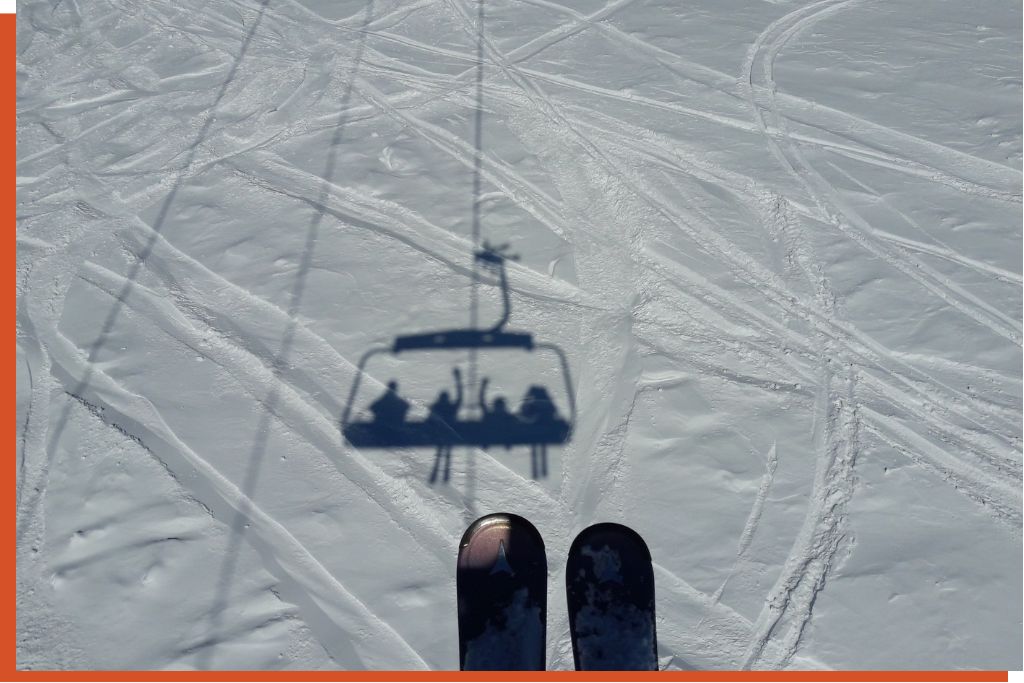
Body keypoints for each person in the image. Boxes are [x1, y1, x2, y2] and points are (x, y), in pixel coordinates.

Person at [428, 368, 463, 483]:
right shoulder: (443, 407)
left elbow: (459, 398)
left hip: (443, 433)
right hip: (443, 433)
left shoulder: (440, 407)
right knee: (444, 453)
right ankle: (443, 476)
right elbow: (459, 398)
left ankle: (441, 475)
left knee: (443, 453)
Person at [519, 386, 558, 479]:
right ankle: (541, 470)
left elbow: (524, 414)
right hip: (541, 428)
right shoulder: (545, 403)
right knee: (540, 447)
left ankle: (538, 471)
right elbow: (553, 412)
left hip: (535, 428)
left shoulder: (532, 404)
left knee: (536, 448)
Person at [478, 378, 519, 449]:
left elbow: (481, 402)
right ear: (503, 406)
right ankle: (506, 442)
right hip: (502, 437)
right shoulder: (507, 416)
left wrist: (483, 386)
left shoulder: (490, 415)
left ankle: (487, 442)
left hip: (491, 437)